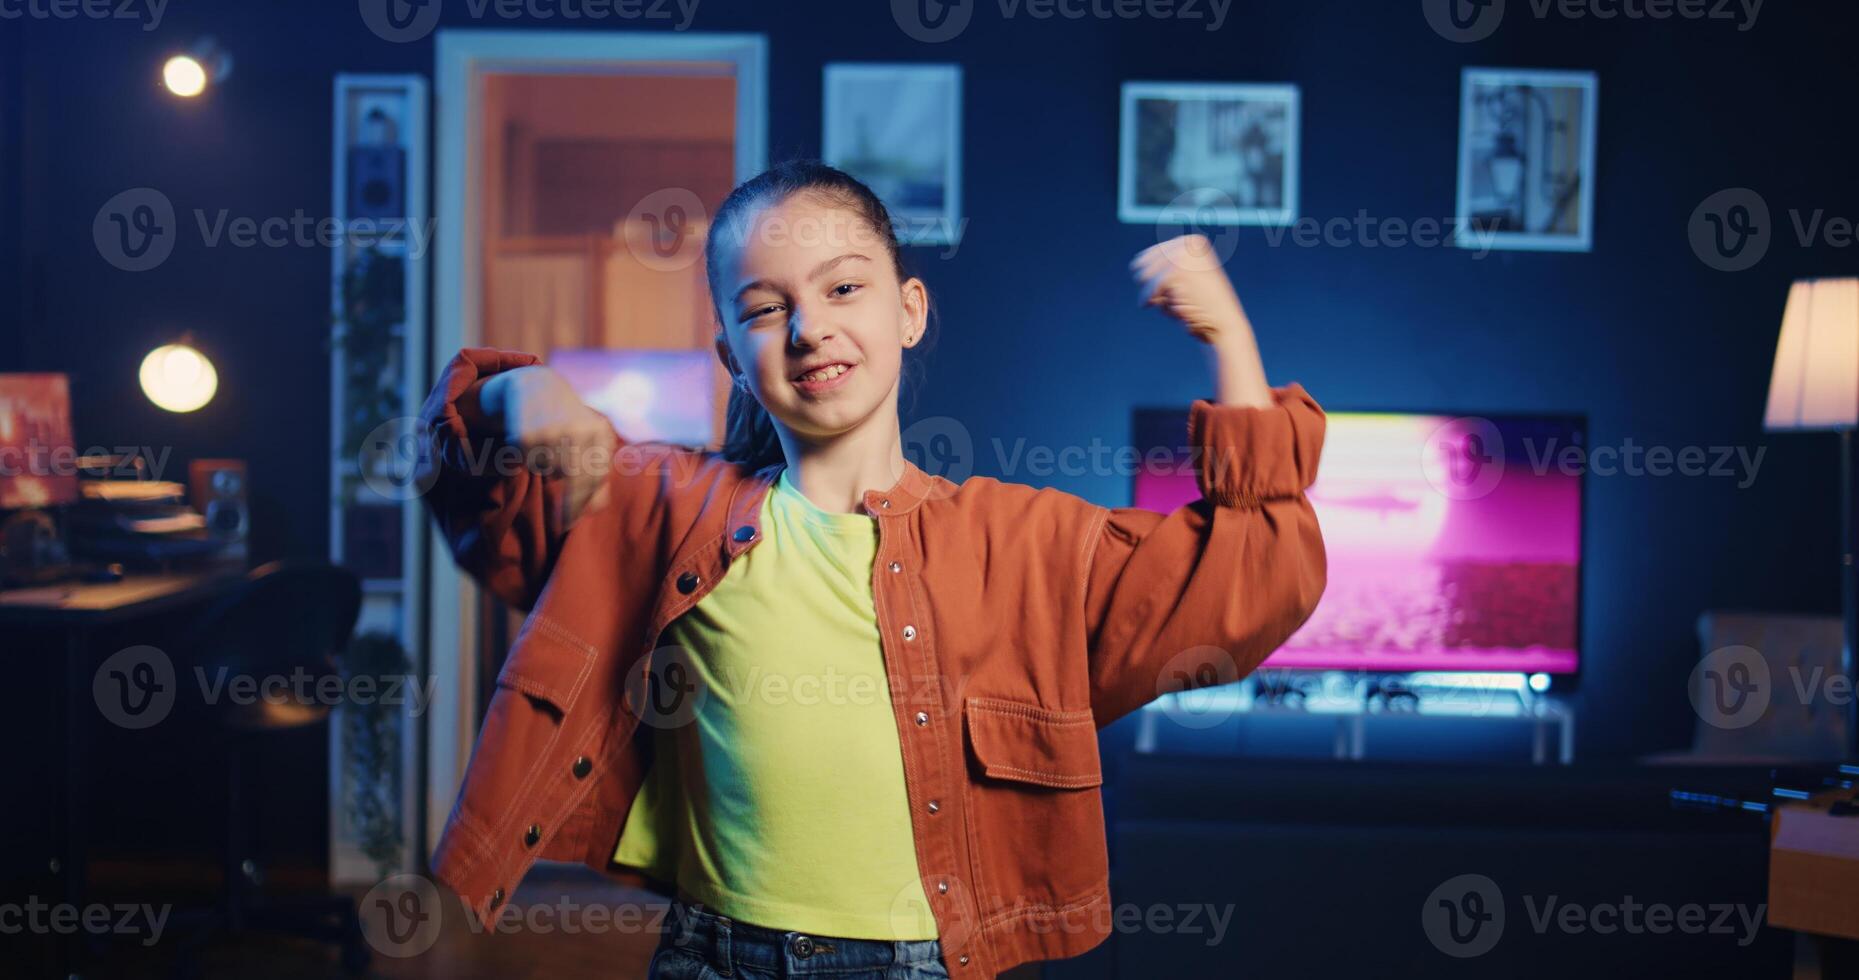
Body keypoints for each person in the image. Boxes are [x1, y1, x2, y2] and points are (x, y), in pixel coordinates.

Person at [417, 161, 1327, 979]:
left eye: (843, 287)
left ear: (909, 310)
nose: (810, 328)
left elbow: (1252, 577)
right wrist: (516, 390)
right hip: (715, 953)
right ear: (733, 356)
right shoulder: (660, 505)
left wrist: (1228, 337)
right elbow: (474, 498)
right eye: (767, 307)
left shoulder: (1024, 542)